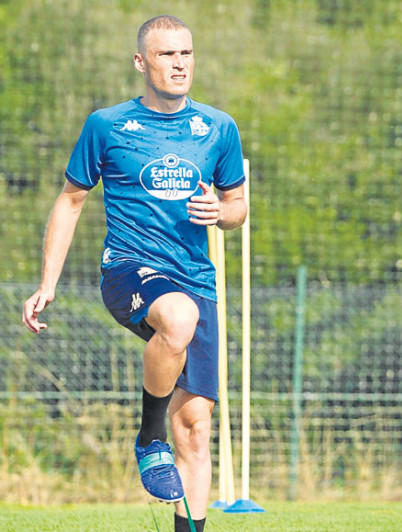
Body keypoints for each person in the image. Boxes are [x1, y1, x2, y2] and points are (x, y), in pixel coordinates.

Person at [21, 15, 246, 532]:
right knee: (178, 316)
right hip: (129, 269)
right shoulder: (107, 124)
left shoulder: (218, 127)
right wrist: (47, 284)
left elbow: (237, 205)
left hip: (197, 277)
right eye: (167, 55)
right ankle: (149, 438)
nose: (180, 63)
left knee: (195, 427)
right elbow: (71, 201)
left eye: (186, 53)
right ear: (141, 63)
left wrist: (223, 213)